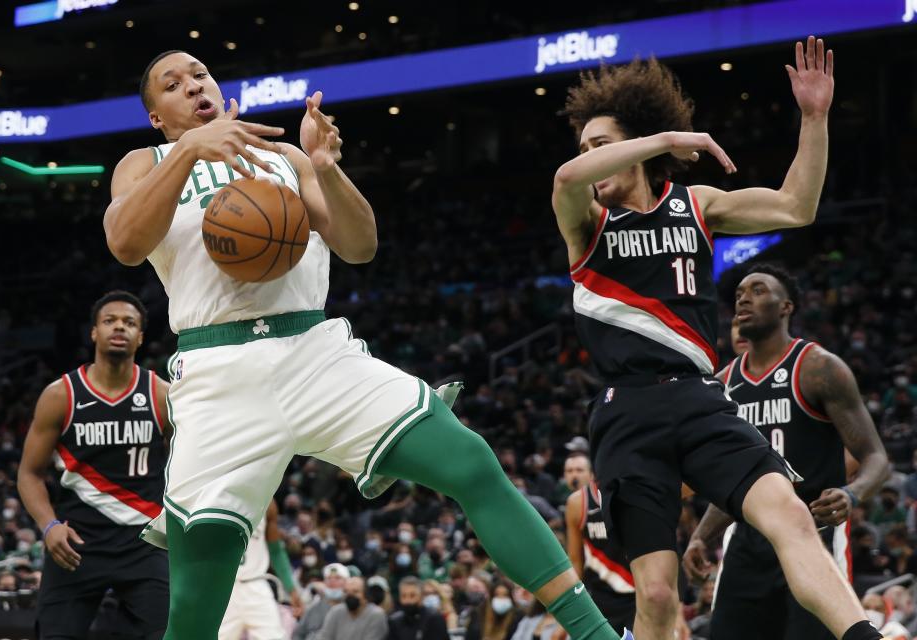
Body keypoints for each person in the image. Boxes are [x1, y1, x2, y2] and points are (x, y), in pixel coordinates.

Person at [106, 49, 619, 640]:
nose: (194, 86)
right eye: (174, 85)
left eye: (200, 75)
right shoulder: (145, 162)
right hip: (219, 373)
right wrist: (193, 150)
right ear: (156, 116)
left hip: (313, 352)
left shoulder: (283, 157)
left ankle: (598, 635)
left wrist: (325, 168)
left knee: (471, 462)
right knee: (197, 601)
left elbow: (359, 245)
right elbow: (123, 240)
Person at [551, 35, 883, 640]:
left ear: (633, 150)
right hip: (628, 411)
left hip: (702, 399)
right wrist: (667, 141)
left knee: (789, 514)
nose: (590, 157)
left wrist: (813, 119)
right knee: (655, 593)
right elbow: (566, 177)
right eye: (587, 147)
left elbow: (795, 207)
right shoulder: (586, 222)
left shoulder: (696, 204)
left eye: (603, 145)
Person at [683, 265, 891, 640]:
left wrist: (851, 493)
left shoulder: (818, 368)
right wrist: (701, 535)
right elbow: (733, 482)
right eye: (740, 294)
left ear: (786, 307)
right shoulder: (723, 385)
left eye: (759, 290)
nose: (744, 298)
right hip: (749, 542)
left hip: (815, 533)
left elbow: (876, 457)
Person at [18, 291, 169, 639]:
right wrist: (48, 525)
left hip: (145, 545)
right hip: (75, 544)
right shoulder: (61, 395)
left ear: (141, 336)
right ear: (94, 333)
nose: (120, 327)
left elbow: (187, 465)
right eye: (110, 321)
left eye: (129, 323)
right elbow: (29, 474)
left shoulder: (160, 394)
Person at [564, 455, 635, 635]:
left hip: (639, 593)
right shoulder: (577, 502)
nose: (575, 475)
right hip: (600, 596)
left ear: (590, 472)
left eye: (579, 470)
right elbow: (575, 561)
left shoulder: (633, 492)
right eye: (570, 471)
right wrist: (571, 608)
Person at [219, 498, 303, 640]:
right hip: (223, 586)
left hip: (255, 584)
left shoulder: (268, 501)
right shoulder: (217, 494)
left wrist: (291, 588)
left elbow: (275, 550)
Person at [316, 576, 387, 640]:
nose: (350, 595)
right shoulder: (336, 611)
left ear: (366, 595)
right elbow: (324, 637)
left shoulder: (376, 615)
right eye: (346, 591)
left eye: (355, 592)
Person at [293, 563, 347, 640]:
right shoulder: (314, 607)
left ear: (346, 582)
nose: (332, 581)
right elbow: (298, 634)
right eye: (328, 578)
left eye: (337, 578)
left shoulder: (351, 608)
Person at [387, 576, 450, 640]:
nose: (407, 600)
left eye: (412, 596)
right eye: (403, 596)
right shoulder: (395, 622)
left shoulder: (434, 619)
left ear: (421, 596)